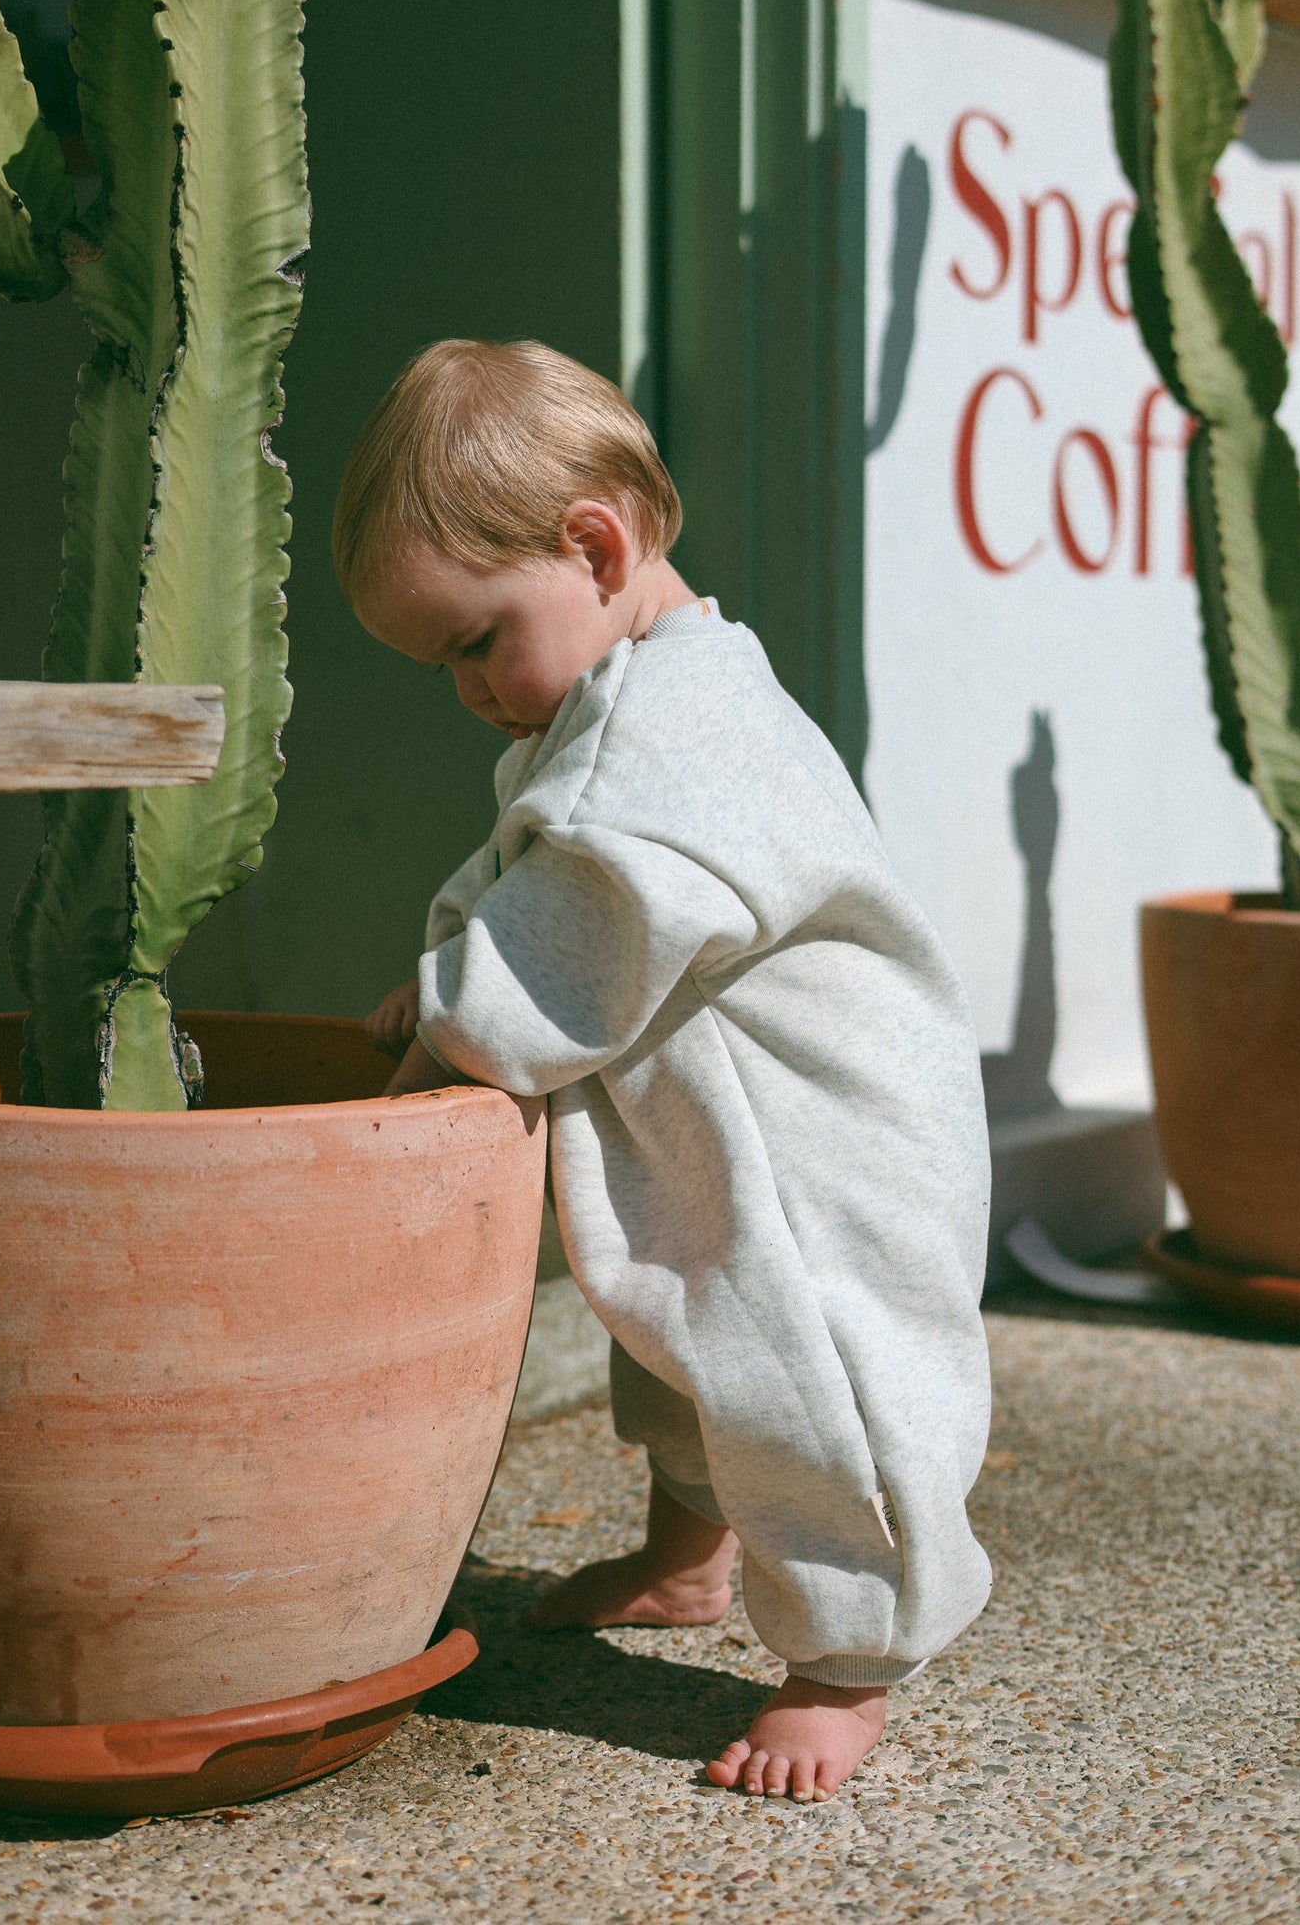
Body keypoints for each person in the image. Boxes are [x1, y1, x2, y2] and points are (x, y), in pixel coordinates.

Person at [333, 338, 992, 1804]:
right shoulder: (630, 697)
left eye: (470, 641)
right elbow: (548, 873)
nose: (464, 690)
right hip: (723, 1123)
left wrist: (458, 1007)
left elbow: (589, 922)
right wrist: (452, 973)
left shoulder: (667, 729)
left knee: (816, 1390)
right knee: (692, 1350)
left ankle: (849, 1657)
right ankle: (685, 1560)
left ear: (593, 544)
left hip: (819, 1148)